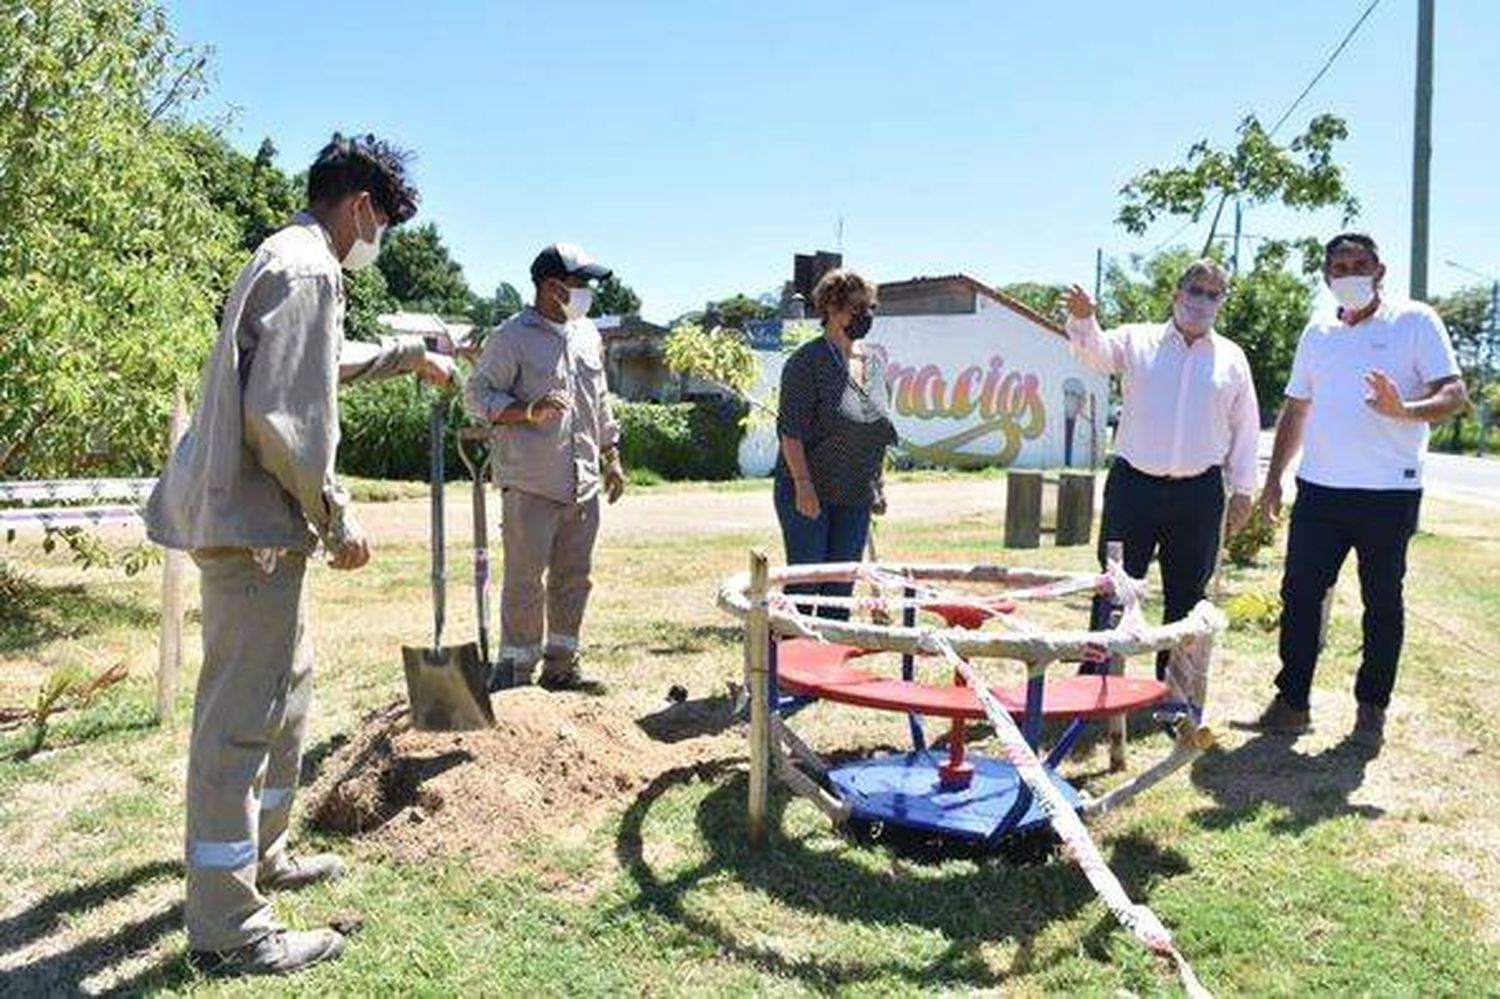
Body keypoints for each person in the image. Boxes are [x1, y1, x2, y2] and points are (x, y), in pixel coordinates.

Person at [145, 133, 453, 976]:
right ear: (360, 206)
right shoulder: (313, 269)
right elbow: (283, 420)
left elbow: (310, 368)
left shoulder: (288, 257)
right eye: (383, 222)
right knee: (238, 726)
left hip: (254, 529)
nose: (379, 240)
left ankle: (267, 852)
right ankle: (227, 928)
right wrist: (337, 512)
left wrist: (406, 354)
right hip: (257, 532)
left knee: (290, 691)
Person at [1240, 233, 1467, 750]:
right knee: (1299, 594)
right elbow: (1296, 408)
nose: (1349, 273)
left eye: (1359, 264)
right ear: (1326, 277)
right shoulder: (1317, 332)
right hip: (1319, 490)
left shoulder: (1415, 321)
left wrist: (1403, 411)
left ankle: (1371, 711)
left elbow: (1454, 394)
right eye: (1339, 266)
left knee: (1381, 602)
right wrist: (1275, 478)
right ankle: (1291, 703)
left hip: (1388, 493)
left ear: (1380, 270)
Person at [1063, 260, 1260, 676]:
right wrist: (1084, 319)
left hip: (1200, 493)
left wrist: (1244, 491)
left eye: (1213, 294)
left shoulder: (1232, 358)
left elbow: (1245, 427)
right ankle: (1098, 686)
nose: (1202, 301)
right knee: (1115, 587)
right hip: (1134, 487)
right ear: (1176, 294)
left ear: (1222, 302)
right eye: (1195, 290)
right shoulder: (1138, 339)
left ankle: (1174, 696)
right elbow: (1095, 353)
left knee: (1188, 596)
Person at [466, 243, 625, 691]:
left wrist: (612, 456)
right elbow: (477, 395)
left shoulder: (587, 334)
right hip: (531, 482)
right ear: (552, 287)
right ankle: (515, 671)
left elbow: (601, 402)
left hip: (583, 484)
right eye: (580, 285)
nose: (586, 294)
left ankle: (561, 666)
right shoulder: (512, 336)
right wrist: (528, 410)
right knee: (524, 581)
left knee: (574, 580)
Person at [774, 268, 896, 618]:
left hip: (855, 492)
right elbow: (791, 432)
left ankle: (825, 667)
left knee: (841, 588)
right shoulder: (806, 362)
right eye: (856, 307)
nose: (865, 316)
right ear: (830, 306)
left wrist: (878, 484)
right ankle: (784, 664)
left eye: (870, 307)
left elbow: (878, 430)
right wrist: (803, 485)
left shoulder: (873, 363)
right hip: (809, 488)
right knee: (807, 581)